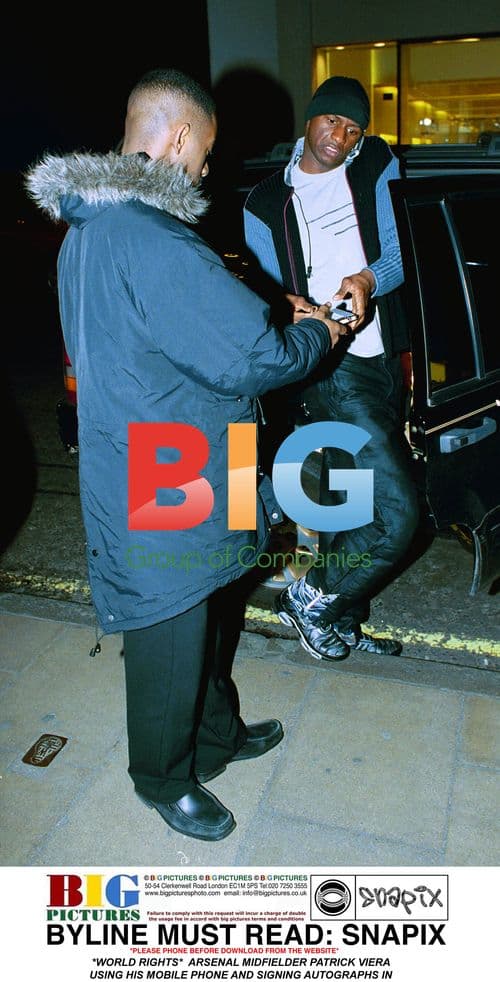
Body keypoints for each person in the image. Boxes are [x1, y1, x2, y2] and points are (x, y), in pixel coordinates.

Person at [26, 68, 344, 842]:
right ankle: (162, 776)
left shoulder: (94, 225)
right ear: (175, 138)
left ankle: (216, 734)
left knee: (207, 606)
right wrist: (321, 331)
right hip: (169, 463)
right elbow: (255, 357)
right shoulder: (151, 234)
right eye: (203, 150)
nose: (206, 168)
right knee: (172, 628)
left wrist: (263, 305)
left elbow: (174, 324)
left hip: (176, 443)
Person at [244, 75, 420, 662]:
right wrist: (301, 310)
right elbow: (269, 292)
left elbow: (399, 254)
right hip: (329, 369)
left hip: (379, 360)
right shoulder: (265, 201)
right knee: (399, 515)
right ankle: (312, 596)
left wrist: (368, 280)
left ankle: (340, 614)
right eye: (331, 122)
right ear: (309, 119)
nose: (339, 136)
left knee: (357, 505)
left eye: (352, 128)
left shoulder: (374, 166)